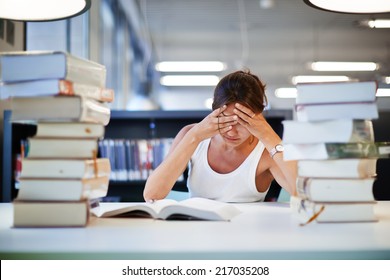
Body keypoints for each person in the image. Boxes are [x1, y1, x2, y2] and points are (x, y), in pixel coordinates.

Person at [144, 70, 297, 202]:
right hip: (199, 231)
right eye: (225, 120)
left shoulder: (267, 150)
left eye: (242, 123)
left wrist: (269, 135)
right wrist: (195, 136)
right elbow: (151, 195)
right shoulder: (190, 135)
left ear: (258, 117)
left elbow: (303, 193)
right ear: (214, 112)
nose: (231, 132)